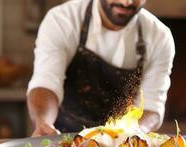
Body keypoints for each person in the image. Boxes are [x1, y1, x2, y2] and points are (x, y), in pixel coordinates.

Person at [27, 0, 175, 137]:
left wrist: (132, 135)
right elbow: (46, 81)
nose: (126, 2)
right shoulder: (62, 19)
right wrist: (43, 122)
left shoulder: (159, 37)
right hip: (63, 137)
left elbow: (151, 107)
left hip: (120, 142)